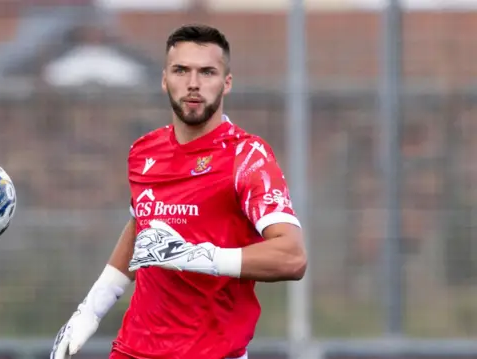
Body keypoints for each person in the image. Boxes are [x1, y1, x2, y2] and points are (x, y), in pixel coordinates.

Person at [50, 24, 307, 359]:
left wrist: (199, 257)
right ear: (164, 79)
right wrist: (91, 310)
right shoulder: (144, 151)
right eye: (181, 70)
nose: (193, 83)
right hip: (133, 350)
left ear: (226, 83)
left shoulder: (247, 157)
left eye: (207, 72)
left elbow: (292, 257)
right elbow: (141, 229)